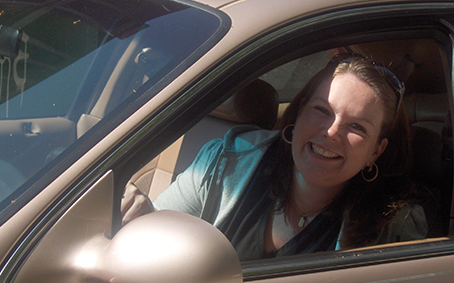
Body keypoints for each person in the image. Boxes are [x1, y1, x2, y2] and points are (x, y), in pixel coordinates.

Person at [121, 52, 427, 260]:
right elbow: (155, 247)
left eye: (356, 126)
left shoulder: (393, 229)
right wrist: (141, 217)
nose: (331, 132)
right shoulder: (224, 162)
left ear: (376, 150)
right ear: (300, 111)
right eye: (322, 110)